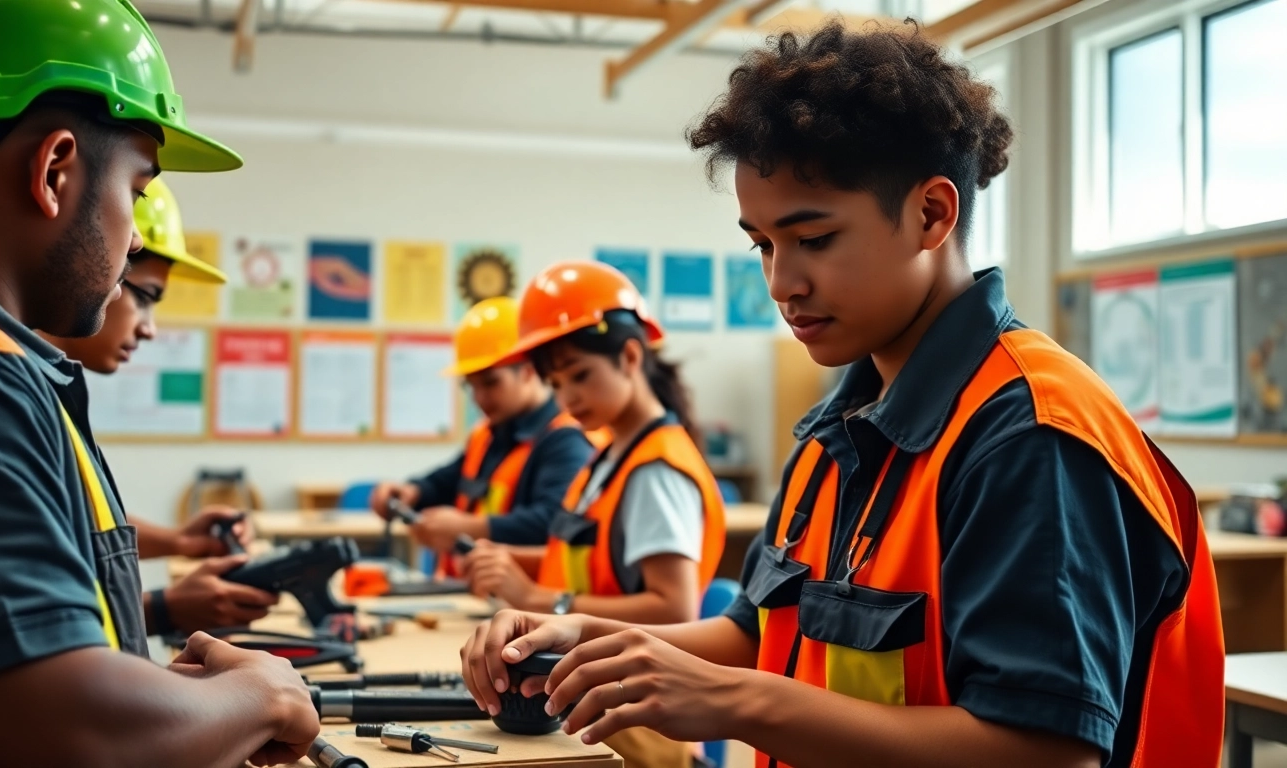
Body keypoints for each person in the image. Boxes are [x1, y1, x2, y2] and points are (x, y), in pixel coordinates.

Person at [460, 21, 1223, 768]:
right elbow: (760, 634)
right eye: (763, 245)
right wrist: (577, 637)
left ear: (931, 213)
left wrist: (734, 701)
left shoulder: (1031, 435)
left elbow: (1045, 752)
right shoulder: (839, 428)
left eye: (813, 239)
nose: (781, 284)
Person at [0, 2, 319, 766]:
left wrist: (166, 697)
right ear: (55, 171)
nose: (140, 234)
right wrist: (265, 694)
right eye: (139, 190)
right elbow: (71, 736)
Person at [462, 261, 728, 768]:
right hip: (590, 707)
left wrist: (542, 600)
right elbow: (590, 556)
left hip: (635, 728)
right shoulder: (609, 455)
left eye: (580, 375)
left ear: (630, 356)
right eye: (556, 383)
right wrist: (514, 561)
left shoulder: (656, 471)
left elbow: (673, 609)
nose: (567, 397)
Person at [40, 177, 279, 636]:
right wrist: (163, 610)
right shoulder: (0, 388)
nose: (149, 329)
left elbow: (74, 519)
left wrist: (180, 542)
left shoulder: (50, 382)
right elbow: (23, 626)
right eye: (144, 297)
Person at [371, 296, 594, 571]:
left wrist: (468, 528)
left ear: (527, 372)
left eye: (490, 383)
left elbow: (553, 521)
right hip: (472, 596)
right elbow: (447, 481)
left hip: (523, 607)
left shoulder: (565, 439)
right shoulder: (488, 434)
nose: (480, 397)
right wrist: (411, 491)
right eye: (471, 386)